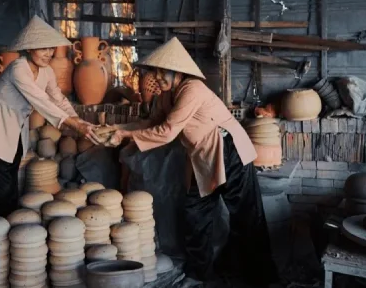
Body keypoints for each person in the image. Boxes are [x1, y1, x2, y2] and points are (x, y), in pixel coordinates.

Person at [107, 37, 279, 286]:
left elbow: (166, 132)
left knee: (247, 217)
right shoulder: (167, 96)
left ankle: (263, 279)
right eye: (155, 71)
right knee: (194, 215)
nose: (157, 77)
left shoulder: (193, 89)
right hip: (203, 157)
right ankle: (200, 274)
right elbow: (151, 123)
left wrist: (125, 135)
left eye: (162, 72)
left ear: (177, 72)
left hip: (230, 150)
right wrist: (118, 128)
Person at [0, 15, 101, 217]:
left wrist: (78, 120)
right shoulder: (18, 69)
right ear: (29, 49)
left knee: (10, 180)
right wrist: (73, 125)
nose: (48, 53)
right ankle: (0, 230)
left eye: (51, 48)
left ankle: (11, 229)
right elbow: (40, 100)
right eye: (43, 48)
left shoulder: (47, 71)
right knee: (1, 186)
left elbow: (58, 98)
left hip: (16, 129)